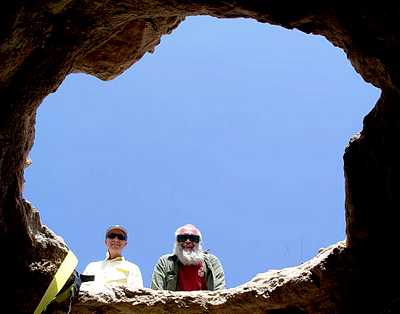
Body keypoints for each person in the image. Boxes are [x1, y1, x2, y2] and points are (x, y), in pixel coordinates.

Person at [151, 224, 225, 291]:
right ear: (176, 241)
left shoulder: (212, 262)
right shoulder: (165, 262)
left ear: (199, 242)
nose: (188, 241)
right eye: (182, 238)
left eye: (193, 238)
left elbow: (219, 292)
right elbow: (156, 292)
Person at [82, 225, 143, 289]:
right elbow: (82, 288)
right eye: (112, 236)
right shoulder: (92, 266)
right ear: (106, 241)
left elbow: (137, 293)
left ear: (125, 244)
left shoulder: (132, 268)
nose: (116, 239)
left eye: (121, 237)